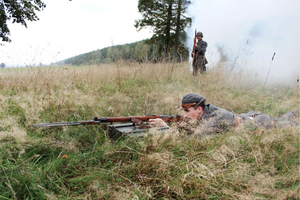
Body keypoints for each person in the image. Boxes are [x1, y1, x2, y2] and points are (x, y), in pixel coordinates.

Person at [148, 93, 299, 135]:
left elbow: (194, 139)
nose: (185, 115)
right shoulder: (204, 112)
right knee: (283, 119)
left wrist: (166, 127)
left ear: (198, 109)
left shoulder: (215, 118)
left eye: (187, 111)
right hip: (247, 116)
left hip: (257, 123)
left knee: (291, 126)